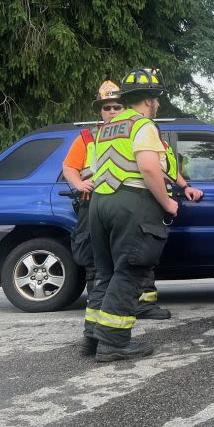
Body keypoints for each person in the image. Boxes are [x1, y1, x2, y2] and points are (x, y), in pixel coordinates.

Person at [83, 68, 178, 362]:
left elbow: (94, 169)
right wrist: (167, 203)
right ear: (150, 99)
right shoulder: (142, 126)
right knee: (130, 270)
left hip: (100, 203)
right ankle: (114, 342)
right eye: (157, 100)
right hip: (130, 202)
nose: (157, 105)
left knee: (105, 273)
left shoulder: (106, 127)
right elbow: (149, 168)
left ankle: (93, 339)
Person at [62, 81, 125, 301]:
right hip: (93, 203)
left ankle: (123, 302)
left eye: (117, 106)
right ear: (100, 111)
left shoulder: (134, 134)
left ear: (125, 109)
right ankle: (97, 302)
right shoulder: (87, 137)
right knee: (91, 255)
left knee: (124, 253)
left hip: (124, 203)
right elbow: (69, 167)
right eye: (107, 107)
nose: (112, 111)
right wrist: (79, 184)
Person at [135, 135, 203, 320]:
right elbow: (149, 170)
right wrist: (166, 202)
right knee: (144, 255)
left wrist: (186, 186)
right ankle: (142, 305)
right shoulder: (141, 140)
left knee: (148, 254)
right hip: (146, 204)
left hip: (154, 207)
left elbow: (169, 171)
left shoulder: (161, 145)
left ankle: (142, 303)